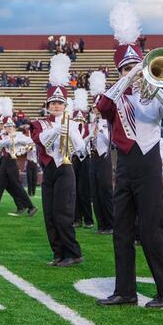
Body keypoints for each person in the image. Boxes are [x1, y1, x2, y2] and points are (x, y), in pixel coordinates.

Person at [94, 16, 163, 308]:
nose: (132, 74)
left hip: (147, 165)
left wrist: (156, 86)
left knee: (150, 230)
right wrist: (126, 78)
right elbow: (102, 106)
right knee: (121, 230)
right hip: (124, 166)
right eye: (125, 68)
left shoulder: (154, 96)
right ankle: (125, 291)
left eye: (135, 68)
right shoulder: (115, 98)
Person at [31, 54, 84, 267]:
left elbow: (80, 148)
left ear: (65, 105)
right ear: (47, 104)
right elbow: (41, 140)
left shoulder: (73, 122)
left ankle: (73, 252)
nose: (56, 106)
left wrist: (69, 129)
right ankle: (58, 253)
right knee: (50, 216)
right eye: (53, 103)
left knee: (63, 214)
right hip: (49, 170)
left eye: (59, 103)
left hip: (66, 168)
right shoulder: (39, 123)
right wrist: (57, 128)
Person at [88, 72, 114, 235]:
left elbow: (112, 140)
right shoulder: (91, 122)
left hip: (104, 157)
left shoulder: (109, 122)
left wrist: (101, 131)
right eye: (94, 108)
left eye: (98, 108)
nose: (96, 111)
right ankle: (101, 224)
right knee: (95, 191)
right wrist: (90, 135)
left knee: (105, 190)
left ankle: (111, 223)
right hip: (92, 157)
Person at [70, 89, 94, 229]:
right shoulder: (72, 131)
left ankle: (89, 219)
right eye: (77, 119)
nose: (79, 121)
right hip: (74, 160)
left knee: (84, 191)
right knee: (74, 191)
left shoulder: (89, 129)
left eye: (81, 119)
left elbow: (87, 146)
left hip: (85, 161)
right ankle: (76, 218)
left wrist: (89, 136)